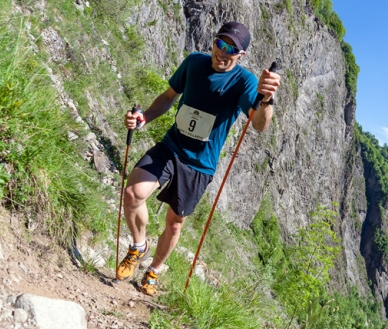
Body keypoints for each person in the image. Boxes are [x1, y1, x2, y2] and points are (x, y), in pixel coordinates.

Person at [115, 21, 280, 296]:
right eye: (220, 43)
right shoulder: (194, 63)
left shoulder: (244, 81)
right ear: (213, 41)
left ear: (241, 55)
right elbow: (168, 97)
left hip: (200, 164)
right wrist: (144, 118)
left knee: (175, 222)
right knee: (133, 193)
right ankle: (138, 245)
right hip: (172, 145)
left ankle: (154, 270)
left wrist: (267, 99)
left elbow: (260, 125)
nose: (223, 52)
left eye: (231, 49)